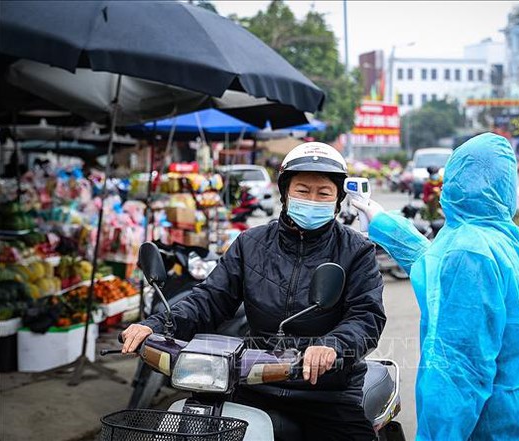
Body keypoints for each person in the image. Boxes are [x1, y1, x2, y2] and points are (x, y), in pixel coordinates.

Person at [121, 142, 386, 441]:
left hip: (325, 390)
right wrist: (154, 325)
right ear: (285, 193)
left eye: (323, 192)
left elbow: (366, 315)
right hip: (254, 381)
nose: (312, 199)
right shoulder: (251, 243)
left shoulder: (356, 251)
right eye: (302, 190)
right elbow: (210, 298)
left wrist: (331, 346)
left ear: (337, 199)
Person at [352, 133, 519, 440]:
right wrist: (381, 221)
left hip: (483, 428)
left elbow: (458, 371)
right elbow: (431, 264)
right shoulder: (504, 237)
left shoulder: (468, 252)